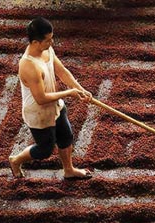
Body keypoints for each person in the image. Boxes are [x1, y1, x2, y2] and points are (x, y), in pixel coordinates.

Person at [9, 17, 92, 180]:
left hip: (56, 105)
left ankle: (69, 169)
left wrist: (80, 89)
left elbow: (62, 72)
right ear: (35, 42)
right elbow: (41, 98)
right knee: (45, 150)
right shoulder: (28, 66)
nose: (51, 42)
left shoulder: (47, 51)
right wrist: (69, 93)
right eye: (47, 40)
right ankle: (16, 159)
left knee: (66, 136)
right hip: (38, 113)